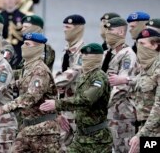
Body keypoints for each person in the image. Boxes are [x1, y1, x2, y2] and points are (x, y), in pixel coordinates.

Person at [0, 33, 61, 152]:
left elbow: (31, 97)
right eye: (23, 43)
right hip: (28, 127)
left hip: (44, 131)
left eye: (27, 44)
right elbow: (15, 83)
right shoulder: (27, 69)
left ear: (36, 48)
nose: (23, 47)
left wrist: (3, 109)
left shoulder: (40, 70)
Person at [40, 43, 113, 153]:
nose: (83, 57)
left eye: (87, 55)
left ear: (96, 58)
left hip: (97, 139)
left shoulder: (99, 77)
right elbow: (76, 100)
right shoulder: (83, 77)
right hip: (81, 137)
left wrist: (57, 104)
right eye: (82, 55)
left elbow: (86, 100)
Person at [110, 29, 160, 153]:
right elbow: (144, 81)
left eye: (143, 44)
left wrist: (140, 135)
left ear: (155, 45)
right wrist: (125, 80)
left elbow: (159, 107)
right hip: (146, 127)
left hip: (154, 128)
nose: (140, 48)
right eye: (138, 44)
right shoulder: (148, 66)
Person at [103, 17, 138, 153]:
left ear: (121, 32)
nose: (107, 33)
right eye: (106, 30)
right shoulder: (107, 54)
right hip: (108, 114)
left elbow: (121, 86)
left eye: (111, 30)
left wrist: (101, 105)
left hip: (121, 115)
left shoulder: (128, 55)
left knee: (122, 148)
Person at [54, 14, 85, 148]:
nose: (64, 30)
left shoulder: (84, 52)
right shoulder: (67, 52)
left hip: (78, 110)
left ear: (78, 29)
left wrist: (51, 82)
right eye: (64, 27)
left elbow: (71, 74)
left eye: (68, 27)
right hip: (65, 109)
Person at [0, 0, 26, 68]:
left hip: (18, 52)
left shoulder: (22, 16)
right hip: (3, 51)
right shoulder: (0, 17)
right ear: (4, 0)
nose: (10, 0)